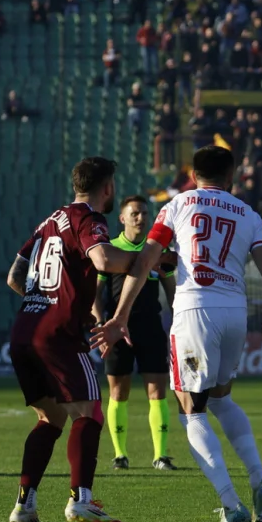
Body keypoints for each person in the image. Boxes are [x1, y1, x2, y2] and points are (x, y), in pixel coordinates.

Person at [91, 145, 262, 522]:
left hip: (195, 311)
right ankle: (259, 479)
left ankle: (231, 504)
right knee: (223, 400)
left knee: (191, 410)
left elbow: (145, 261)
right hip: (235, 313)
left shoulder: (178, 204)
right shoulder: (248, 214)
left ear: (194, 176)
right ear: (232, 177)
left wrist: (120, 315)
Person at [4, 157, 143, 522]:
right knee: (90, 412)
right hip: (56, 335)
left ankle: (25, 504)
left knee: (51, 417)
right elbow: (103, 259)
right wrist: (148, 258)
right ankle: (81, 500)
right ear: (107, 187)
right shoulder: (88, 218)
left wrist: (47, 300)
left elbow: (14, 276)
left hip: (24, 331)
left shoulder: (49, 220)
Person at [93, 196, 178, 472]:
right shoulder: (111, 250)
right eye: (135, 214)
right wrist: (98, 320)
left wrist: (179, 316)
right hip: (117, 328)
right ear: (122, 218)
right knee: (118, 391)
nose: (141, 218)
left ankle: (161, 456)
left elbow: (170, 289)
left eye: (144, 213)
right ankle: (120, 455)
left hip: (150, 326)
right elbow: (97, 292)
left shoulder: (158, 251)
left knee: (157, 390)